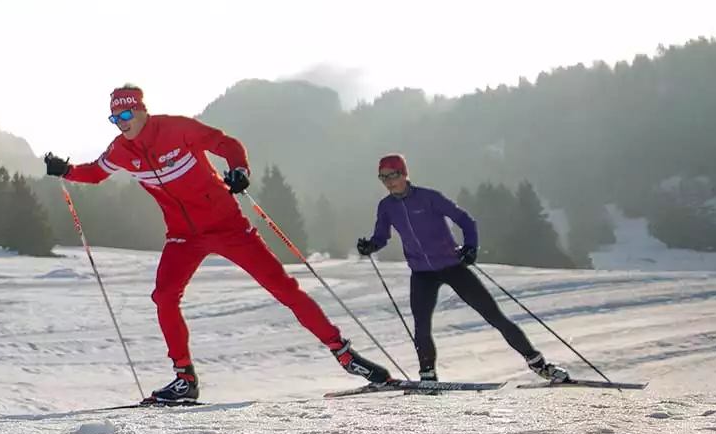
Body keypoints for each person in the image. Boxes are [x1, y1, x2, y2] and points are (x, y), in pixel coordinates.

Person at [44, 84, 391, 403]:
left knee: (283, 288)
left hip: (228, 227)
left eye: (126, 115)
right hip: (183, 237)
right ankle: (184, 379)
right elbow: (95, 172)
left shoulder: (177, 128)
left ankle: (344, 354)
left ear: (142, 110)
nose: (121, 123)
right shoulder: (122, 150)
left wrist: (239, 170)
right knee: (164, 296)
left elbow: (226, 144)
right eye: (114, 118)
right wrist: (66, 170)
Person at [357, 153, 570, 384]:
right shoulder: (387, 207)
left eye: (393, 175)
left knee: (494, 316)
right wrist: (371, 245)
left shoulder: (429, 198)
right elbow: (381, 236)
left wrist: (470, 247)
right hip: (422, 273)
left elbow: (466, 220)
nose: (389, 181)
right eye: (383, 177)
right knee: (421, 327)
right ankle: (428, 377)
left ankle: (540, 365)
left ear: (404, 173)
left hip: (452, 266)